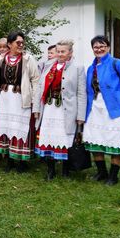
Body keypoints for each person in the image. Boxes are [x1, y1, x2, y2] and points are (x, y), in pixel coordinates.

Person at [82, 35, 120, 185]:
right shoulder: (91, 68)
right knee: (95, 138)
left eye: (102, 46)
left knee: (115, 140)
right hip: (95, 108)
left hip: (114, 109)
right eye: (96, 47)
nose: (99, 49)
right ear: (92, 49)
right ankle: (102, 172)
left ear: (108, 47)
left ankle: (113, 176)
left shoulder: (117, 63)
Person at [33, 39, 86, 180]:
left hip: (66, 110)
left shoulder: (77, 68)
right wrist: (36, 108)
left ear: (70, 52)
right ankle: (50, 170)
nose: (60, 54)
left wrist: (81, 115)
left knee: (65, 138)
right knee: (48, 137)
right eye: (58, 51)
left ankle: (65, 170)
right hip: (49, 108)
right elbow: (39, 87)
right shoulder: (48, 65)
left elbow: (81, 93)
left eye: (63, 51)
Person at [0, 31, 40, 173]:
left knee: (20, 128)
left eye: (22, 42)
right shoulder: (0, 59)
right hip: (5, 98)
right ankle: (9, 160)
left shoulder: (28, 59)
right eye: (17, 42)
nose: (20, 45)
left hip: (21, 97)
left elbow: (36, 80)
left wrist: (34, 101)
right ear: (9, 44)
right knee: (6, 127)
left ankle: (21, 161)